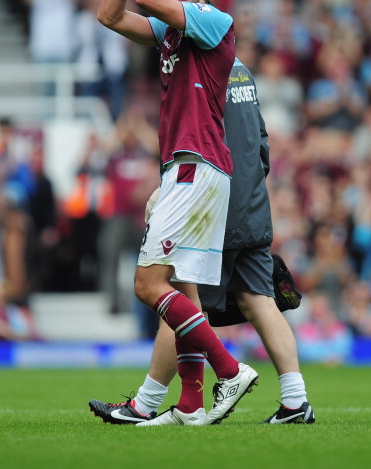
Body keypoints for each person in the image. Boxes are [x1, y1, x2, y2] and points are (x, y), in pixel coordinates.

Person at [93, 0, 259, 427]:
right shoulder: (172, 32)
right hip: (188, 169)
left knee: (148, 285)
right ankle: (186, 405)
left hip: (198, 163)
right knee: (184, 286)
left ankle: (230, 370)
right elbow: (110, 14)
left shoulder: (212, 21)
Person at [89, 57, 315, 426]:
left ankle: (146, 404)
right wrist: (252, 190)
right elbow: (261, 139)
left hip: (215, 201)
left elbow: (193, 137)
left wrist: (173, 192)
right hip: (253, 202)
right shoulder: (242, 67)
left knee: (182, 301)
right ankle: (295, 402)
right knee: (260, 299)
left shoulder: (201, 68)